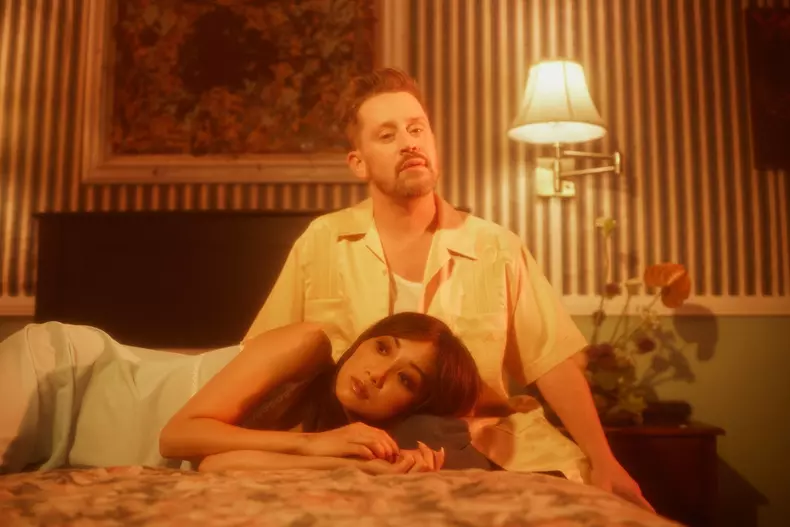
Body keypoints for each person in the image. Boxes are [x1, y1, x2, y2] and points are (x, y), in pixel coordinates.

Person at [243, 68, 652, 510]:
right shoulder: (323, 242)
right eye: (387, 135)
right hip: (361, 449)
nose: (409, 143)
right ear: (358, 163)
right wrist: (269, 445)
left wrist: (604, 460)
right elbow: (262, 362)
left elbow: (551, 361)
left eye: (417, 129)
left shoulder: (497, 247)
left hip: (481, 444)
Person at [0, 313, 481, 475]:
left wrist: (369, 468)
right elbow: (176, 438)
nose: (378, 373)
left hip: (70, 445)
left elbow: (219, 466)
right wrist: (315, 444)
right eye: (383, 347)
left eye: (406, 379)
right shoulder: (307, 345)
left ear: (413, 410)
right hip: (71, 377)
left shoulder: (337, 441)